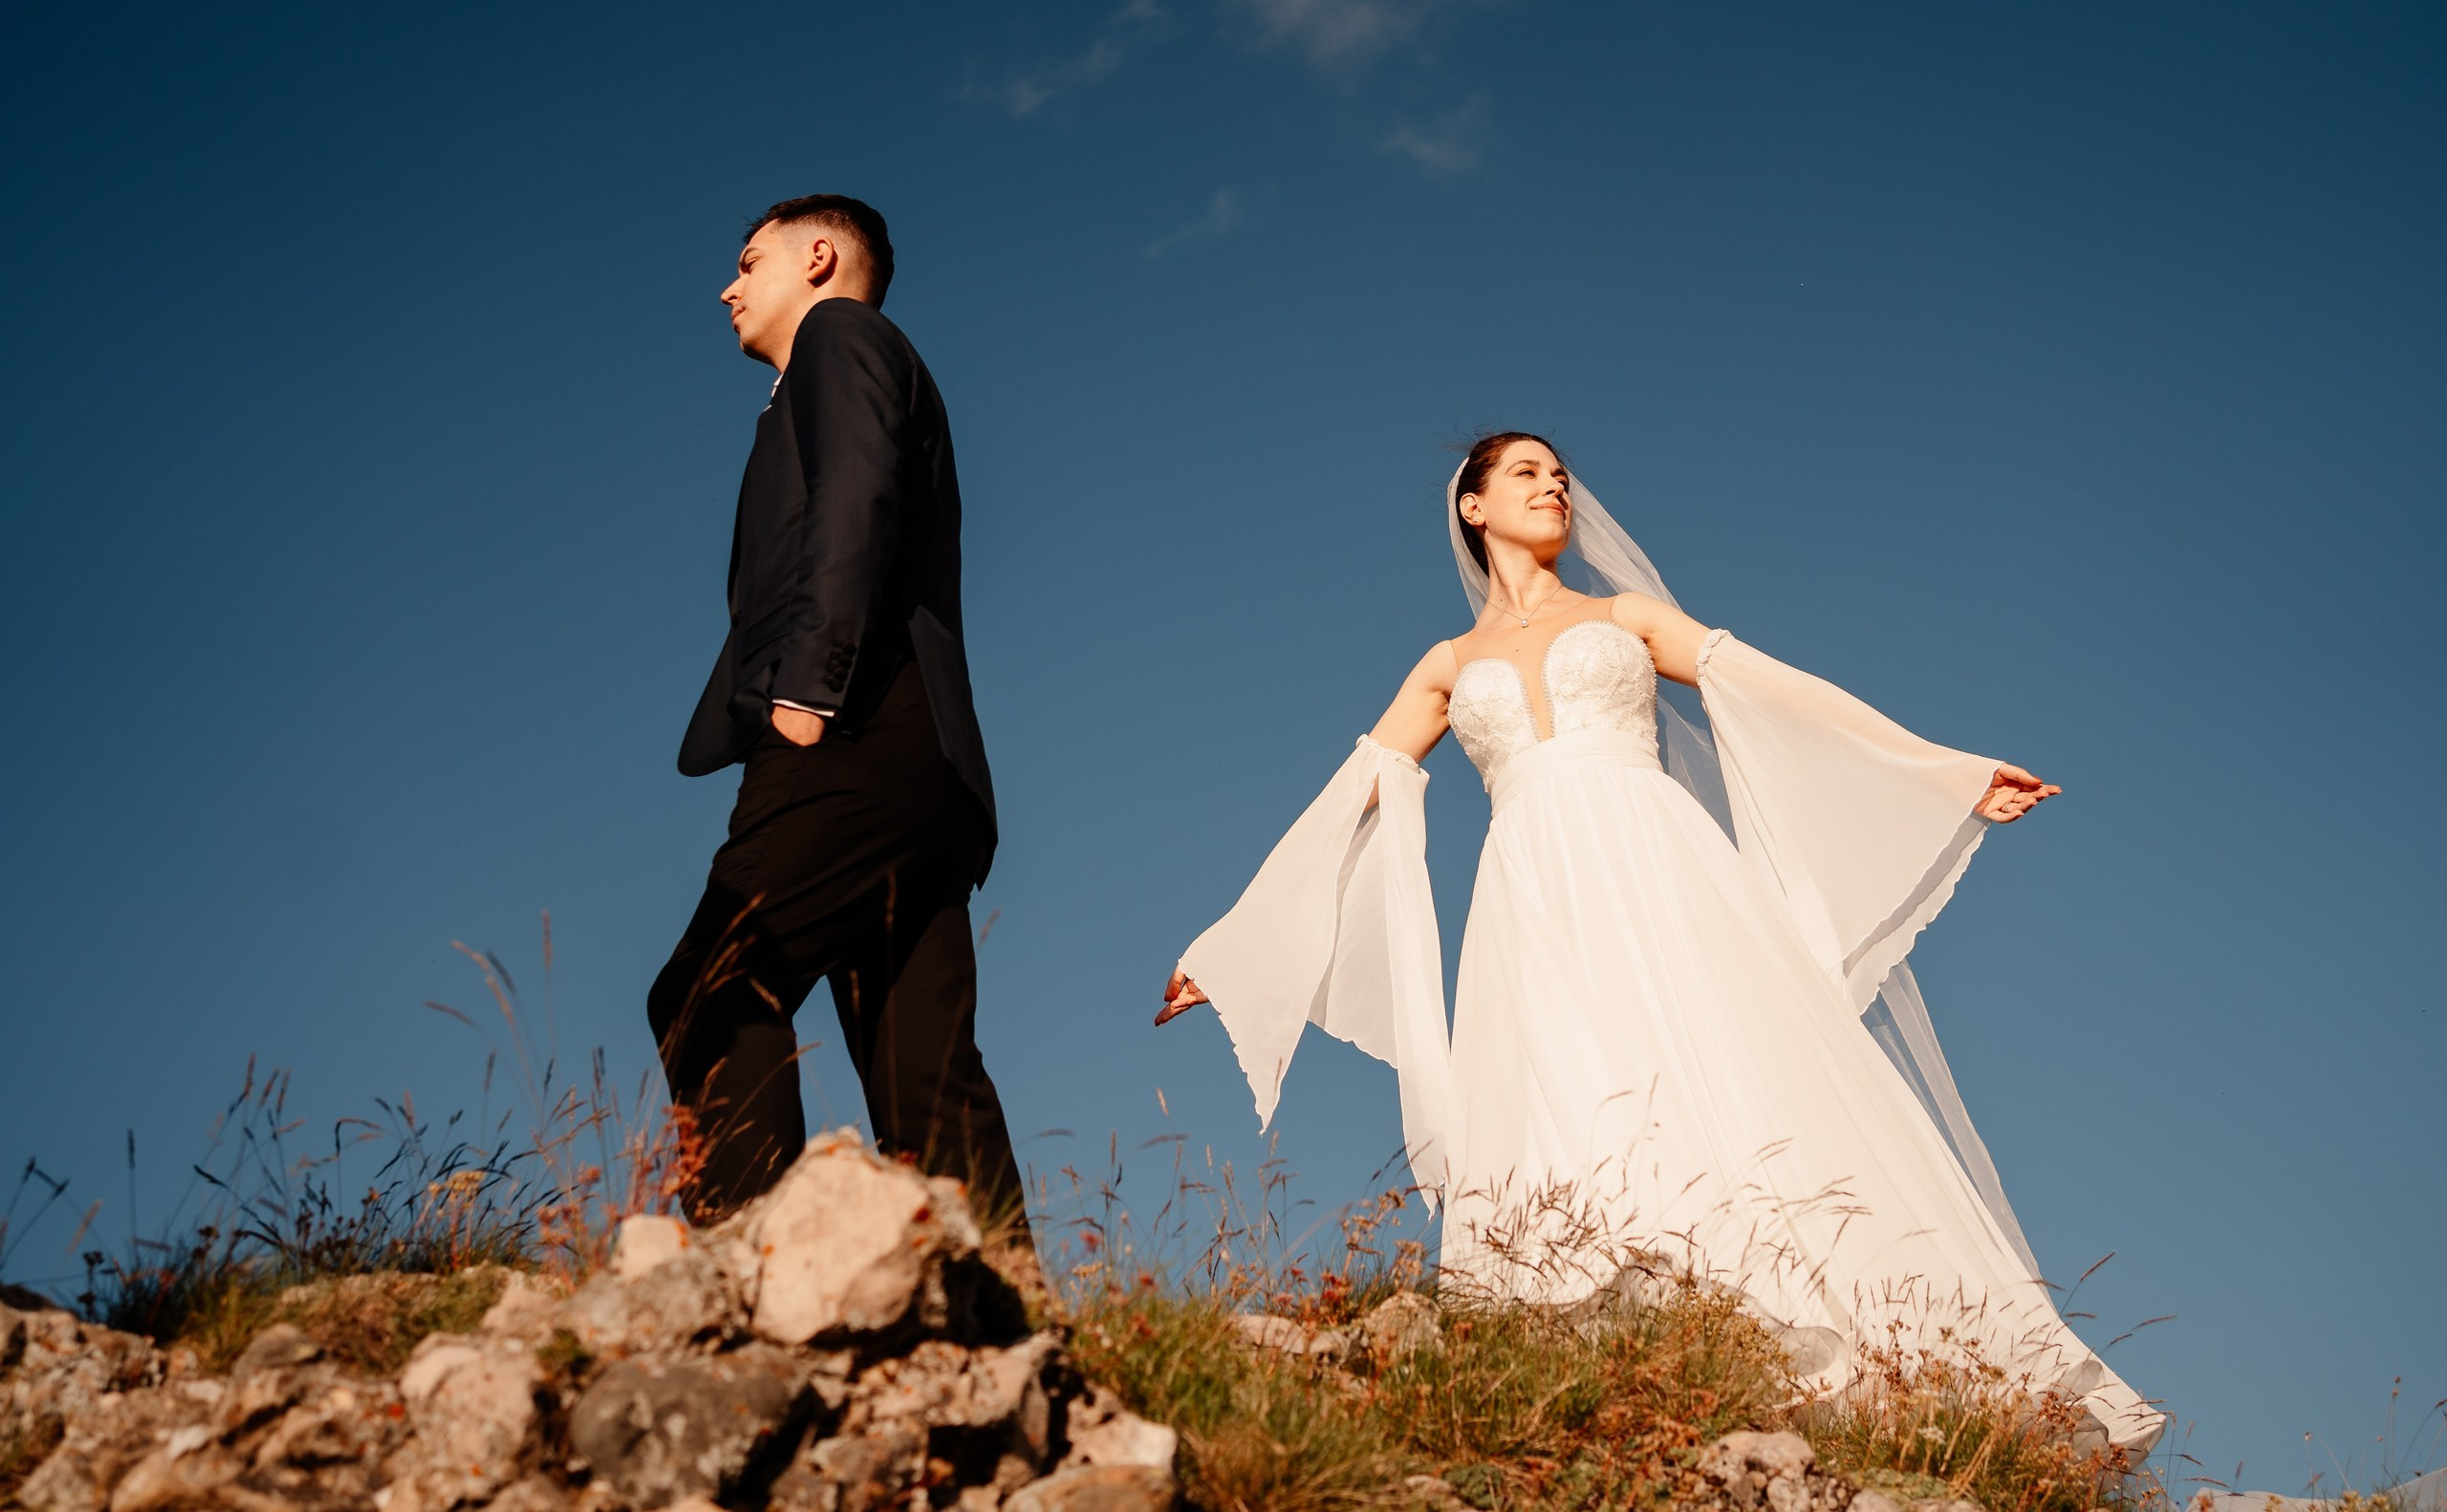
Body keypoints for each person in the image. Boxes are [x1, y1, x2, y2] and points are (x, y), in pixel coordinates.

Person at [1156, 431, 2161, 1453]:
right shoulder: (1446, 665)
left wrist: (1939, 771)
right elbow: (1358, 791)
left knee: (1724, 1073)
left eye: (1559, 475)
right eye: (1525, 474)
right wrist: (1237, 948)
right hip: (1531, 897)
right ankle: (1607, 1352)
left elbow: (1768, 686)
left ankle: (1841, 1350)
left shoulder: (1622, 618)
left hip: (1659, 862)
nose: (1553, 486)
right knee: (1569, 1089)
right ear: (1472, 508)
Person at [648, 194, 1024, 1228]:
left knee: (708, 990)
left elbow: (858, 496)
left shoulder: (839, 336)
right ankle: (1005, 1302)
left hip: (850, 728)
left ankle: (751, 1264)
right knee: (924, 1075)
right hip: (928, 769)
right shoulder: (842, 367)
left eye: (746, 261)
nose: (728, 287)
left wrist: (808, 691)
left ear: (817, 258)